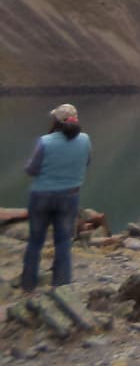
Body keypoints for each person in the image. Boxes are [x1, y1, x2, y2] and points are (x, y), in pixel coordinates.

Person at [21, 103, 92, 291]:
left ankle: (28, 285)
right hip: (70, 196)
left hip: (41, 196)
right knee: (63, 242)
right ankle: (61, 286)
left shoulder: (45, 141)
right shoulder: (85, 139)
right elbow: (86, 162)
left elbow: (32, 169)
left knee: (35, 241)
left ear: (56, 121)